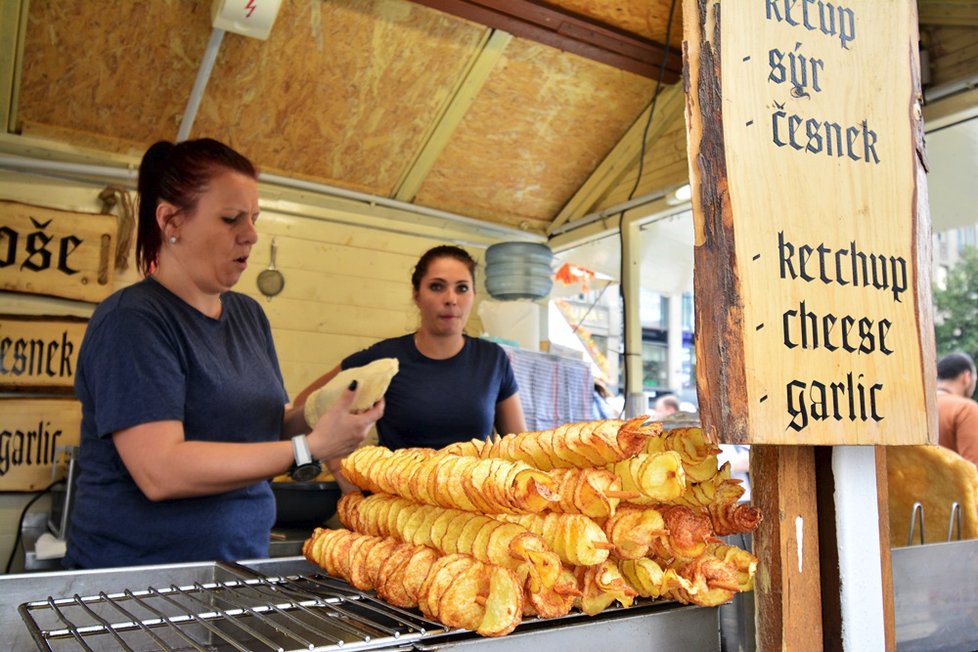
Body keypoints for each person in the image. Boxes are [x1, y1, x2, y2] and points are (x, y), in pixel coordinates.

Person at [64, 138, 383, 569]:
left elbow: (262, 426)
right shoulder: (133, 321)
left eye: (253, 218)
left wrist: (330, 410)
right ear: (171, 220)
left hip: (238, 566)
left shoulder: (248, 315)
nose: (250, 235)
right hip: (139, 583)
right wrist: (309, 448)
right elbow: (161, 470)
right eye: (231, 218)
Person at [296, 245, 527, 457]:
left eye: (462, 288)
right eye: (437, 287)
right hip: (396, 500)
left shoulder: (493, 360)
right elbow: (303, 405)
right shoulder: (384, 359)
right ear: (416, 295)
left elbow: (519, 448)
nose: (450, 299)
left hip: (471, 498)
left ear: (473, 296)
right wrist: (329, 469)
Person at [936, 351, 978, 468]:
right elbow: (973, 469)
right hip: (950, 486)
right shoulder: (965, 409)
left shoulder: (918, 406)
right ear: (966, 377)